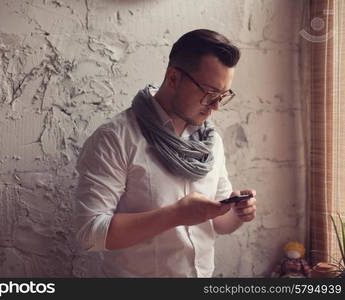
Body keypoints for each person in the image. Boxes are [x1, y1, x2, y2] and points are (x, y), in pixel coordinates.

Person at [75, 29, 257, 277]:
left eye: (223, 96)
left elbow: (219, 223)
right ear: (173, 78)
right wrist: (175, 215)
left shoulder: (211, 141)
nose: (216, 106)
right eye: (210, 94)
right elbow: (90, 233)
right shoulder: (115, 138)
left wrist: (237, 213)